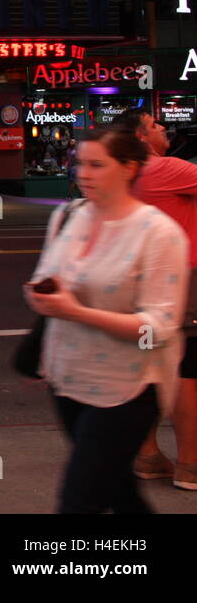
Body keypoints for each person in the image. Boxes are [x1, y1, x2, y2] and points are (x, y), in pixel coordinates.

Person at [24, 126, 188, 513]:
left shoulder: (158, 234)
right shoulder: (67, 217)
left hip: (127, 389)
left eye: (98, 165)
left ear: (130, 168)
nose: (84, 174)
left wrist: (76, 311)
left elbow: (158, 329)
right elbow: (47, 280)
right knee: (118, 492)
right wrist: (43, 294)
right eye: (80, 163)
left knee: (79, 500)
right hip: (66, 380)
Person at [118, 110, 197, 488]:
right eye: (154, 124)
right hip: (183, 279)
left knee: (147, 372)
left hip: (137, 282)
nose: (163, 127)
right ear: (141, 136)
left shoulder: (122, 175)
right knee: (187, 374)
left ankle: (147, 455)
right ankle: (191, 465)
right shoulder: (168, 168)